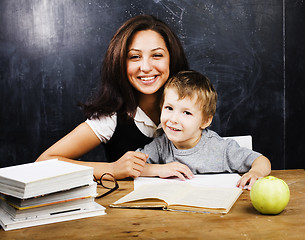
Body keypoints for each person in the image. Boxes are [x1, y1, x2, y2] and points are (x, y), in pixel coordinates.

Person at [36, 15, 189, 179]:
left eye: (157, 55)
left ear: (172, 59)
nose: (145, 67)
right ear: (120, 62)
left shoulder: (193, 103)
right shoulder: (110, 119)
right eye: (134, 57)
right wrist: (112, 169)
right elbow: (43, 163)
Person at [138, 70, 271, 190]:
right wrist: (158, 169)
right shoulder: (161, 145)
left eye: (187, 113)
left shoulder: (220, 148)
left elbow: (261, 160)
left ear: (205, 121)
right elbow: (134, 166)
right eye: (169, 108)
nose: (173, 119)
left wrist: (256, 173)